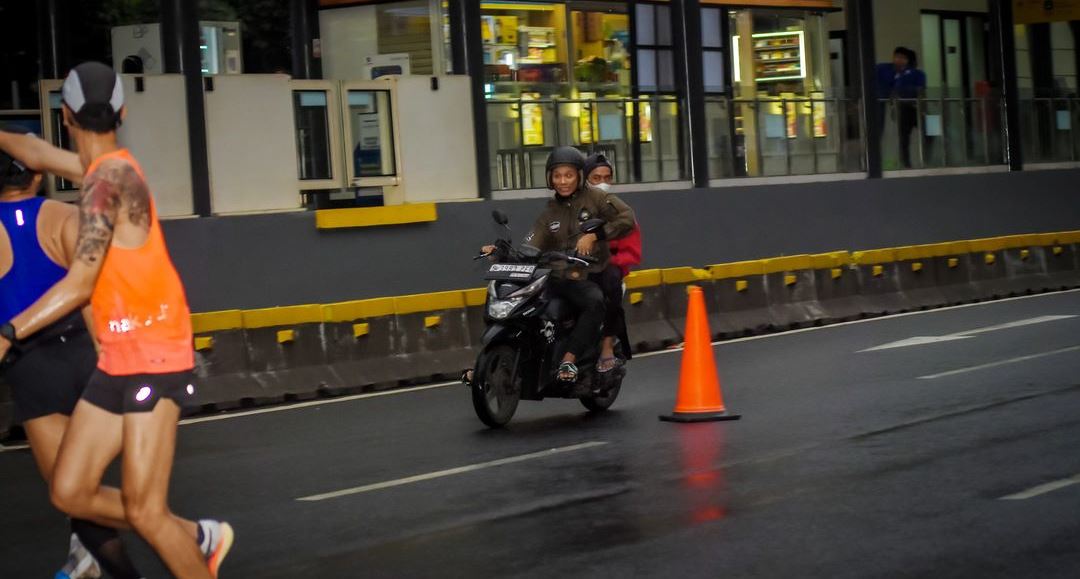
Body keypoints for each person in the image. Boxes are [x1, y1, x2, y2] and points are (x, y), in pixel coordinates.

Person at [0, 62, 233, 578]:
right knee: (69, 489)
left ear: (65, 115)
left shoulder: (106, 184)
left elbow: (80, 283)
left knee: (145, 509)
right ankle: (196, 534)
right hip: (118, 358)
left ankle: (194, 542)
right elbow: (33, 153)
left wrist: (8, 331)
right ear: (122, 113)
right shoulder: (105, 169)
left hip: (155, 355)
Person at [0, 124, 135, 578]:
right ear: (37, 174)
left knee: (73, 492)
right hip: (82, 353)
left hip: (31, 368)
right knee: (84, 493)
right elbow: (92, 293)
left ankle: (168, 529)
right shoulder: (65, 217)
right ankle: (91, 556)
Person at [483, 146, 635, 382]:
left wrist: (596, 235)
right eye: (557, 176)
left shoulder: (596, 197)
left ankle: (569, 360)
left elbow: (627, 219)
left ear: (579, 176)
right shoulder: (550, 212)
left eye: (568, 175)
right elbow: (531, 244)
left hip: (590, 272)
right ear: (550, 179)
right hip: (560, 276)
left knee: (594, 302)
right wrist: (501, 250)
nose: (563, 181)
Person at [582, 153, 640, 370]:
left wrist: (610, 261)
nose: (602, 183)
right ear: (586, 179)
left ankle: (607, 346)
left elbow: (631, 251)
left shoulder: (619, 212)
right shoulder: (574, 207)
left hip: (609, 267)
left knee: (611, 286)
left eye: (607, 177)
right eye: (596, 178)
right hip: (578, 267)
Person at [875, 46, 927, 168]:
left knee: (909, 135)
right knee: (897, 135)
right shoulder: (883, 69)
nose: (900, 60)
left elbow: (919, 91)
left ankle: (910, 161)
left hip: (909, 108)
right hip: (891, 106)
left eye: (904, 58)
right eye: (898, 57)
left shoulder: (912, 74)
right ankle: (903, 162)